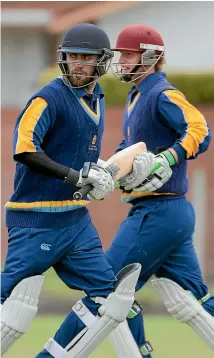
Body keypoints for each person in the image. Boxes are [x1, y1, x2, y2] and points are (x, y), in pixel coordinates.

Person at [0, 23, 142, 357]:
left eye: (86, 58)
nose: (78, 64)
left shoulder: (98, 98)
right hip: (35, 219)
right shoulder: (47, 98)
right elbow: (24, 149)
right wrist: (75, 177)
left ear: (101, 62)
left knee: (112, 303)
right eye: (73, 56)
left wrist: (104, 171)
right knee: (12, 308)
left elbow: (77, 151)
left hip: (75, 220)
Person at [105, 24, 214, 357]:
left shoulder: (161, 93)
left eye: (127, 54)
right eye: (120, 54)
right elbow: (131, 150)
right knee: (191, 300)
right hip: (165, 212)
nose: (121, 61)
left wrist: (169, 156)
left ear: (151, 57)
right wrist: (107, 172)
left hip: (159, 211)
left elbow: (201, 129)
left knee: (107, 288)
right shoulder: (136, 95)